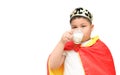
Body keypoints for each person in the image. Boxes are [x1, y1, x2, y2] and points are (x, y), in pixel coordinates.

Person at [47, 7, 116, 75]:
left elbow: (105, 71)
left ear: (91, 28)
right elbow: (53, 66)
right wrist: (61, 42)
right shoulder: (68, 46)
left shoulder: (99, 47)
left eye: (83, 26)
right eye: (74, 27)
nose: (79, 30)